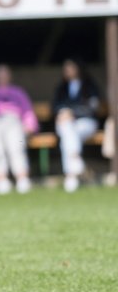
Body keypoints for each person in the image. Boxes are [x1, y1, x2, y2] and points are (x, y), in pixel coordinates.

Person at [0, 64, 37, 195]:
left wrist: (30, 127)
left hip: (14, 123)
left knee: (16, 147)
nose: (2, 77)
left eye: (4, 74)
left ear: (9, 76)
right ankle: (1, 180)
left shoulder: (18, 92)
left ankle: (22, 178)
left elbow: (27, 112)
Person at [53, 58, 102, 193]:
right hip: (66, 123)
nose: (68, 71)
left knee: (67, 137)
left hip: (86, 122)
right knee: (67, 129)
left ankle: (71, 176)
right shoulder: (61, 88)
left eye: (71, 67)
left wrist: (72, 112)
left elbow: (93, 107)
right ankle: (76, 166)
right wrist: (64, 113)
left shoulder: (90, 85)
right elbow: (55, 106)